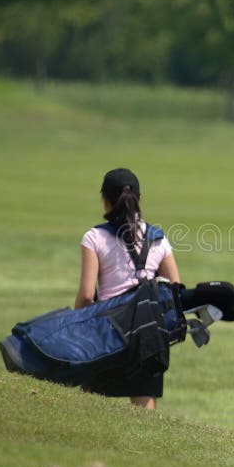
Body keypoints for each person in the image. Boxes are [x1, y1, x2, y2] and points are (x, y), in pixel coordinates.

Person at [75, 167, 180, 409]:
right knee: (144, 412)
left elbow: (87, 295)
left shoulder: (94, 238)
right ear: (139, 199)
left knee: (93, 408)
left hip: (108, 332)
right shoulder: (158, 238)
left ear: (105, 200)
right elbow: (174, 289)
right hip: (148, 333)